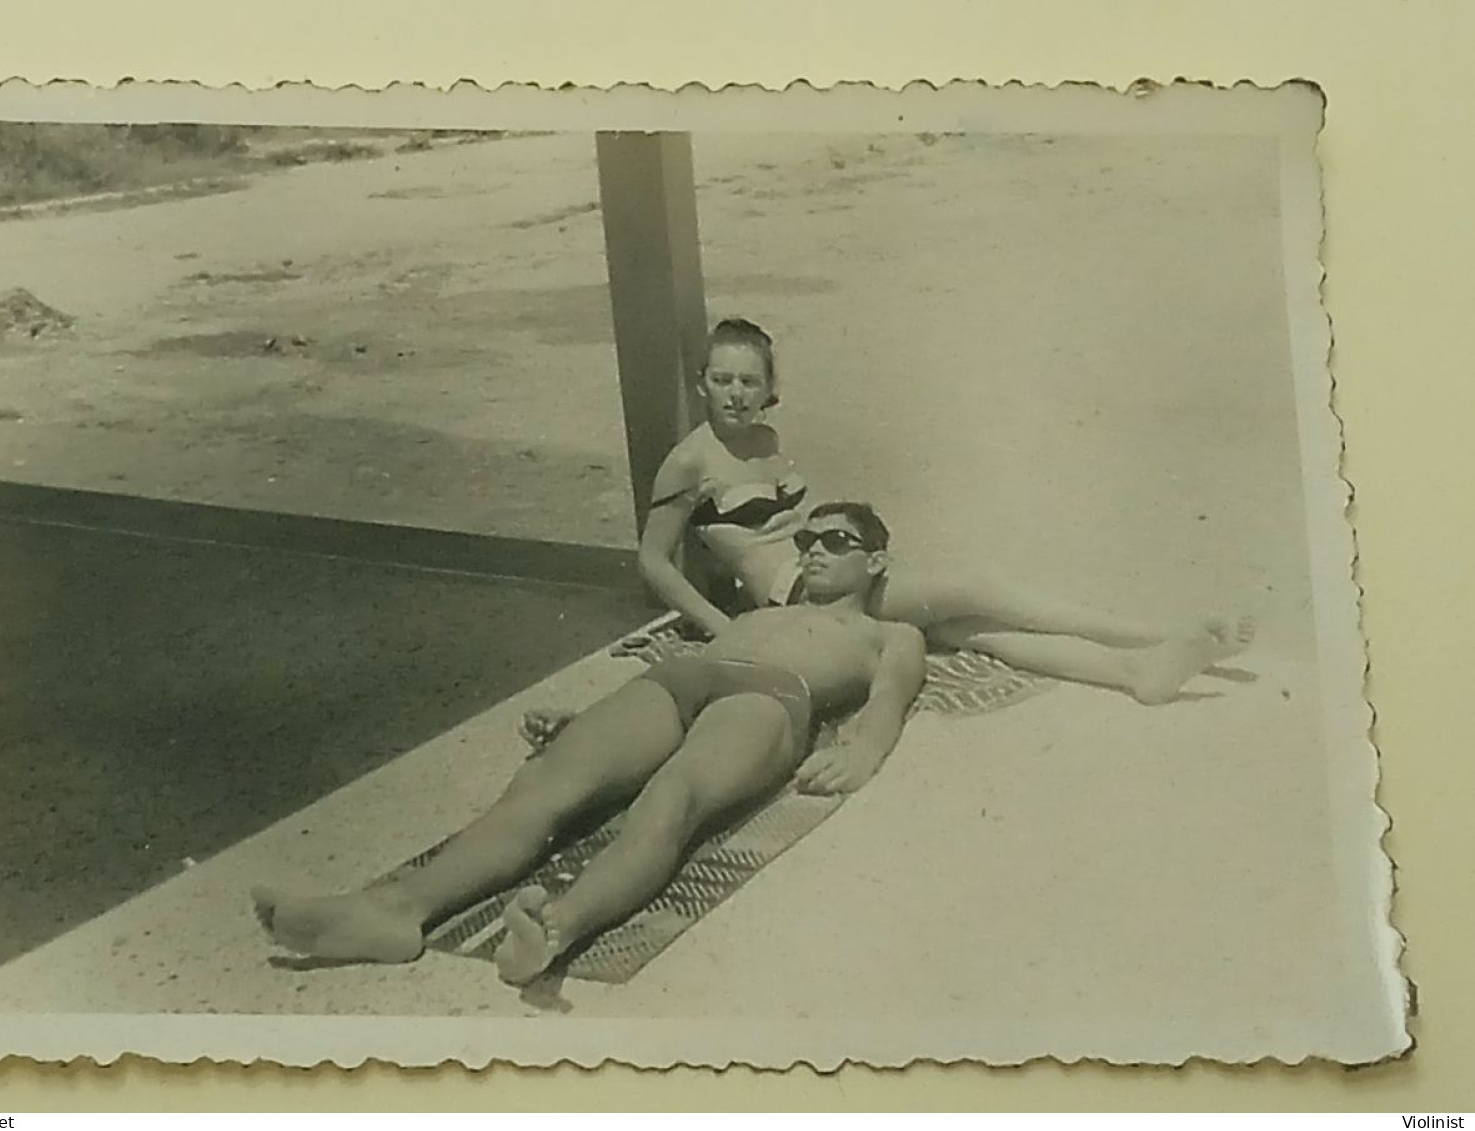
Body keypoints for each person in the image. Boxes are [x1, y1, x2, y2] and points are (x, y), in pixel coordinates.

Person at [254, 503, 928, 986]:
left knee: (674, 796)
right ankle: (394, 911)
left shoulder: (888, 634)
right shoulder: (763, 610)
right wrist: (581, 714)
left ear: (876, 560)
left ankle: (557, 927)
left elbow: (888, 702)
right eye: (807, 538)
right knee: (547, 781)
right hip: (677, 680)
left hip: (771, 697)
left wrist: (863, 751)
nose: (813, 549)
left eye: (835, 540)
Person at [638, 317, 1255, 705]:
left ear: (768, 386)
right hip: (796, 594)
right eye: (723, 381)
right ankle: (1159, 632)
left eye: (749, 382)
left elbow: (794, 526)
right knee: (978, 585)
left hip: (833, 571)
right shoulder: (691, 460)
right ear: (702, 384)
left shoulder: (766, 443)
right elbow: (654, 561)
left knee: (972, 629)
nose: (737, 395)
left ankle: (1132, 672)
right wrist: (726, 629)